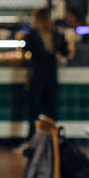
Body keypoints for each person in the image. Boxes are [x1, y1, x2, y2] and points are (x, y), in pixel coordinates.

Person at [23, 8, 68, 140]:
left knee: (34, 111)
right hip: (51, 74)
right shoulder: (57, 35)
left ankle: (33, 139)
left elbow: (25, 51)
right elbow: (65, 52)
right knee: (51, 109)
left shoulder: (32, 35)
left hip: (37, 75)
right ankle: (52, 139)